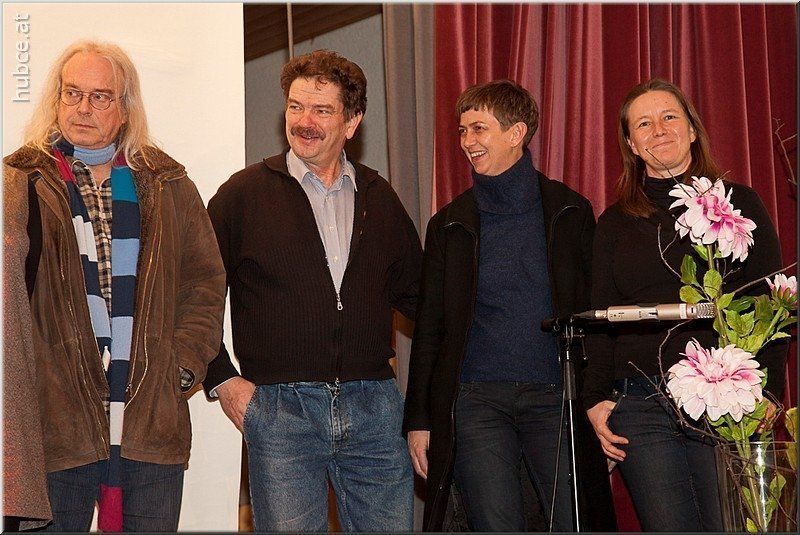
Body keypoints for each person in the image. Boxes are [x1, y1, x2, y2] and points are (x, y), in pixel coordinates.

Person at [2, 40, 227, 532]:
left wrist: (180, 369)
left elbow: (205, 284)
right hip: (55, 424)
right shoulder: (19, 182)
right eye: (72, 93)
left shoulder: (168, 183)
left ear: (125, 107)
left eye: (100, 96)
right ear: (56, 100)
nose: (83, 107)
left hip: (150, 422)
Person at [204, 49, 422, 532]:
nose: (304, 121)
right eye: (296, 106)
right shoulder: (242, 195)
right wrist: (222, 379)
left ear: (352, 121)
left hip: (374, 408)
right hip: (280, 412)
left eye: (322, 110)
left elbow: (423, 302)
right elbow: (192, 295)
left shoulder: (380, 197)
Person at [403, 79, 616, 532]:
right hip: (475, 401)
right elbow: (429, 330)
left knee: (574, 522)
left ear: (517, 133)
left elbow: (597, 316)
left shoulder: (570, 211)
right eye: (462, 131)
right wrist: (419, 419)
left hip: (556, 397)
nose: (467, 141)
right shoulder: (448, 224)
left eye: (478, 128)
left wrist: (600, 395)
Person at [582, 78, 787, 532]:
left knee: (728, 524)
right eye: (643, 123)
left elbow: (771, 305)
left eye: (669, 117)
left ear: (692, 129)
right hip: (640, 402)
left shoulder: (739, 203)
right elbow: (600, 318)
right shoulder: (613, 223)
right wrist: (595, 398)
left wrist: (769, 390)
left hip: (725, 400)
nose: (658, 130)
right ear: (631, 144)